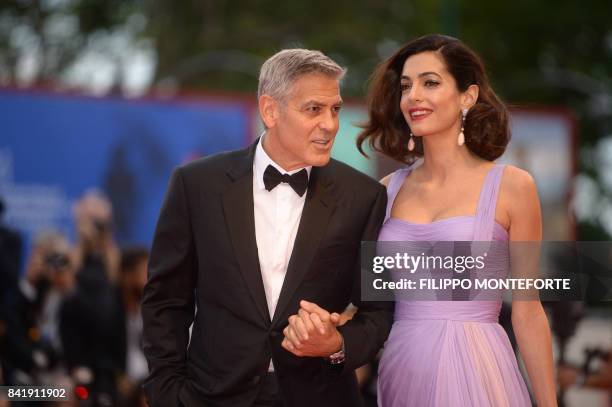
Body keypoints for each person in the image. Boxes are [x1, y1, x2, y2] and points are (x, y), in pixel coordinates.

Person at [141, 48, 394, 407]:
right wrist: (166, 391)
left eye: (334, 109)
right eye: (313, 109)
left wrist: (337, 345)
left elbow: (379, 311)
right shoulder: (197, 184)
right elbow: (165, 300)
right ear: (270, 110)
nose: (330, 123)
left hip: (319, 397)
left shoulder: (364, 196)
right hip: (211, 396)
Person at [355, 34, 557, 406]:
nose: (413, 95)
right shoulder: (387, 191)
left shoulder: (513, 187)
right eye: (406, 86)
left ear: (468, 96)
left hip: (479, 367)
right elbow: (366, 302)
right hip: (403, 367)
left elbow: (528, 311)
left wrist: (548, 403)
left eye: (430, 82)